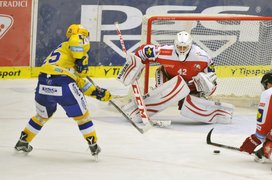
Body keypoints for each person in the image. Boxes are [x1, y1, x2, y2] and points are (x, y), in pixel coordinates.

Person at [14, 24, 111, 158]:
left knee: (41, 116)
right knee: (82, 117)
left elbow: (77, 80)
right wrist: (80, 58)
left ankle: (23, 141)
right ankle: (93, 145)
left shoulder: (62, 52)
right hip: (62, 83)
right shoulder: (76, 43)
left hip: (43, 82)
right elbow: (76, 41)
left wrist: (96, 92)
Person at [118, 31, 234, 124]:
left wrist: (208, 89)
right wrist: (134, 65)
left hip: (191, 87)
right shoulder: (165, 51)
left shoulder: (202, 57)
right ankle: (135, 109)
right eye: (179, 47)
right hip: (169, 81)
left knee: (199, 91)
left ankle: (209, 106)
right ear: (175, 44)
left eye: (185, 47)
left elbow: (212, 79)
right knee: (162, 93)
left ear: (190, 45)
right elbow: (143, 51)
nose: (182, 49)